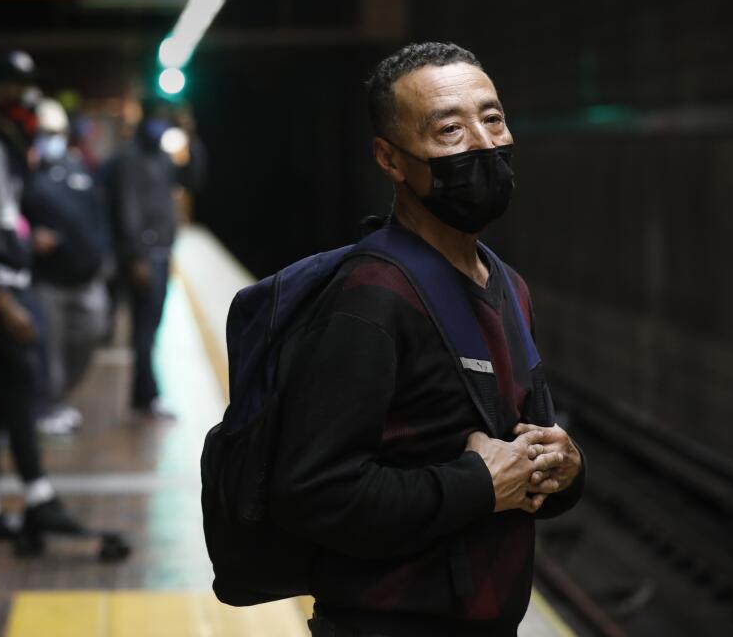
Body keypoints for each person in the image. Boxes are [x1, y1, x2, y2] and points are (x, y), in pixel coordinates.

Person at [267, 42, 585, 637]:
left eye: (491, 119)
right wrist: (477, 485)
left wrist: (565, 467)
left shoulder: (507, 286)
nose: (484, 144)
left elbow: (523, 444)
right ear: (390, 160)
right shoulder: (370, 297)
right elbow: (311, 492)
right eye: (449, 130)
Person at [0, 51, 83, 541]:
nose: (21, 94)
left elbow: (4, 213)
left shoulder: (5, 138)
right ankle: (38, 494)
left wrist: (27, 239)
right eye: (12, 85)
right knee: (20, 386)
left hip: (6, 276)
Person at [22, 99, 112, 433]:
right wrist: (30, 237)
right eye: (43, 132)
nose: (49, 138)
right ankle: (46, 406)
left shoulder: (79, 169)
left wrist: (104, 256)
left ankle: (59, 399)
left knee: (87, 340)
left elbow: (98, 214)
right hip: (49, 281)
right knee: (50, 353)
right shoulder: (26, 174)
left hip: (86, 278)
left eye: (54, 132)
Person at [104, 96, 193, 418]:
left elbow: (193, 177)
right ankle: (146, 395)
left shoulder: (163, 159)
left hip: (161, 252)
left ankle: (146, 393)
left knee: (150, 326)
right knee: (144, 328)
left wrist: (189, 135)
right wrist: (135, 256)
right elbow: (127, 208)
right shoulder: (130, 159)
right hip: (145, 255)